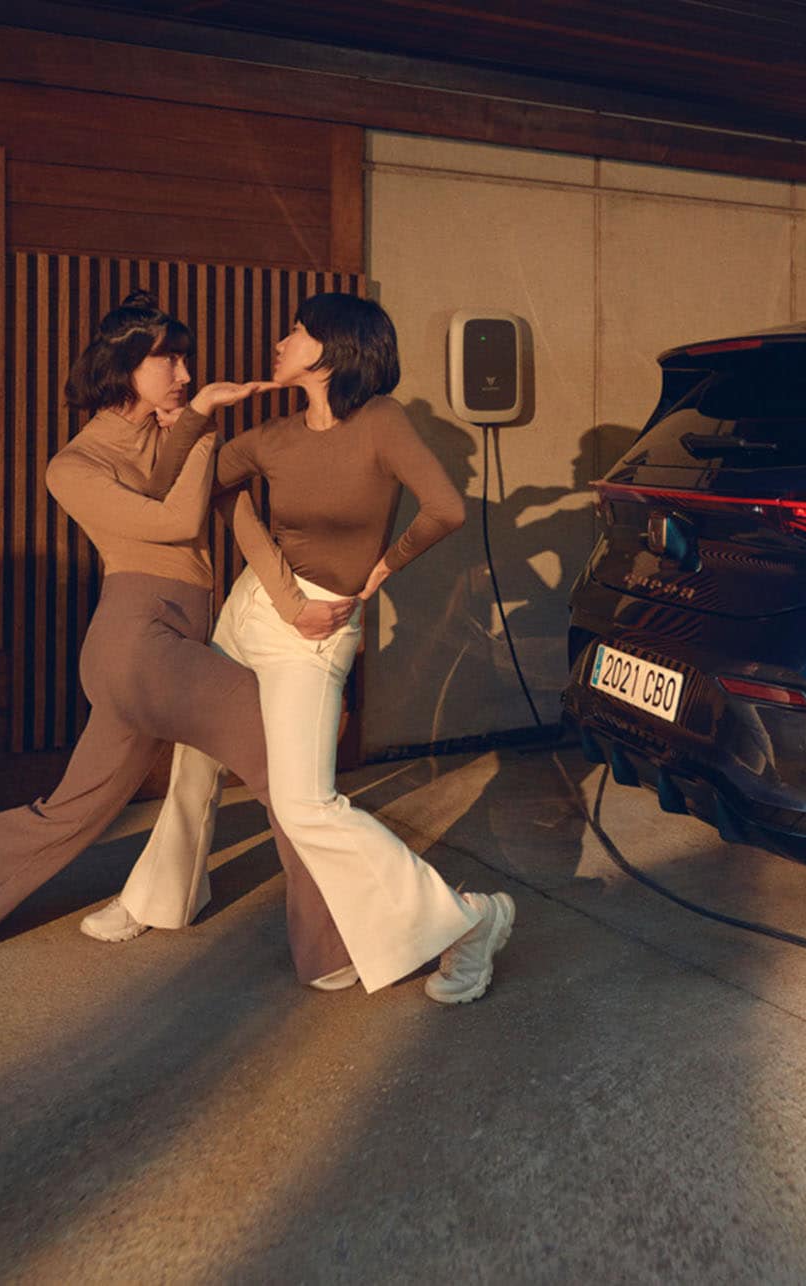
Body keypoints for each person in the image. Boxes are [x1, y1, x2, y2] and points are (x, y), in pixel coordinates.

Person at [0, 291, 356, 979]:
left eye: (184, 356)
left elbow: (239, 521)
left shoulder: (180, 434)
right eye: (167, 357)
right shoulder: (73, 465)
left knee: (67, 812)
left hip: (167, 645)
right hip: (137, 644)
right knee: (289, 756)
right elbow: (173, 524)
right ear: (125, 364)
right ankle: (338, 950)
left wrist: (291, 603)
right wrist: (197, 425)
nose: (183, 370)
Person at [85, 293, 515, 1004]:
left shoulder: (380, 422)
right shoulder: (275, 435)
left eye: (296, 331)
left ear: (332, 348)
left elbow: (446, 508)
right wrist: (200, 417)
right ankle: (161, 899)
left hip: (315, 632)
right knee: (194, 761)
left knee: (307, 803)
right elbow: (182, 489)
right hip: (251, 607)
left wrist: (379, 574)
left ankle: (471, 920)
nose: (280, 341)